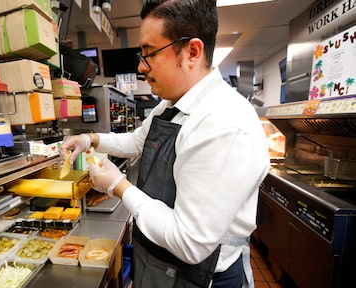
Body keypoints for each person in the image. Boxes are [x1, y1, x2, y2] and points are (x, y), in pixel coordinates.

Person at [60, 0, 270, 287]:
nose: (140, 67)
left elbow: (189, 243)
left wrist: (117, 185)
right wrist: (90, 139)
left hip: (203, 278)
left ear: (192, 52)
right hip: (161, 263)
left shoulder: (223, 124)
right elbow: (135, 142)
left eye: (149, 54)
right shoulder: (171, 105)